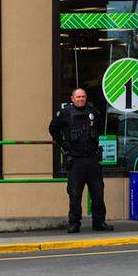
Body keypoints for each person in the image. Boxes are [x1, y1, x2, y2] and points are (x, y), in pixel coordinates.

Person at [48, 88, 114, 234]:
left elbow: (100, 127)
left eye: (83, 96)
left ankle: (99, 222)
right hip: (76, 160)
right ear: (72, 98)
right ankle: (74, 223)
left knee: (98, 192)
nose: (81, 99)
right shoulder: (65, 113)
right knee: (75, 194)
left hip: (92, 159)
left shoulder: (93, 111)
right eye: (78, 97)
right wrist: (63, 144)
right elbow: (53, 128)